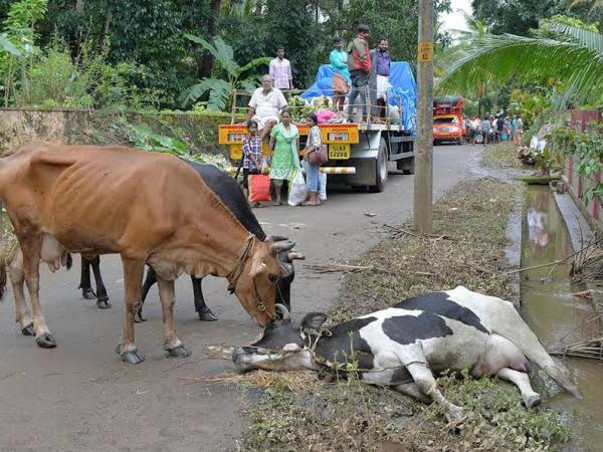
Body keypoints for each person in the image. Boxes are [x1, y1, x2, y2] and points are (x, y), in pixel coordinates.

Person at [269, 109, 300, 206]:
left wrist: (297, 156)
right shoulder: (276, 128)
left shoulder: (294, 129)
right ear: (281, 118)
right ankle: (278, 198)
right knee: (277, 178)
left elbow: (297, 144)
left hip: (290, 157)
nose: (285, 118)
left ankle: (290, 198)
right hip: (278, 157)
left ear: (291, 118)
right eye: (284, 117)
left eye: (287, 117)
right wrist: (270, 153)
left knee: (291, 178)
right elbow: (271, 141)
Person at [246, 74, 288, 141]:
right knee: (253, 123)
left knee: (270, 122)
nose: (266, 83)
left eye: (268, 81)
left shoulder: (277, 92)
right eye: (265, 81)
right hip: (258, 117)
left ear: (272, 83)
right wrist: (246, 121)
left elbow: (285, 107)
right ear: (262, 83)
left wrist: (282, 118)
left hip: (272, 117)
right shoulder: (257, 92)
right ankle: (255, 142)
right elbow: (252, 108)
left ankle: (258, 141)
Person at [346, 24, 371, 123]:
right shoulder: (360, 42)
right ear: (362, 32)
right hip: (360, 71)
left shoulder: (352, 42)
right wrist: (367, 69)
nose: (366, 35)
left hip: (353, 71)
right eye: (365, 33)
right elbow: (362, 56)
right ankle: (365, 117)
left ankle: (349, 116)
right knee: (364, 94)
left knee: (353, 94)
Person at [241, 119, 263, 206]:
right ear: (248, 129)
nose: (254, 129)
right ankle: (245, 202)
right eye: (252, 127)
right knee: (246, 183)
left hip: (256, 165)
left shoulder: (258, 139)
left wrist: (260, 163)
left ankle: (256, 201)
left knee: (256, 183)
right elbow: (248, 153)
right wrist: (255, 162)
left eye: (255, 128)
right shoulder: (245, 140)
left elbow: (260, 152)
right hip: (248, 165)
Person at [303, 113, 322, 206]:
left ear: (314, 122)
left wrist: (307, 152)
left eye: (309, 121)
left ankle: (313, 199)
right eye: (307, 120)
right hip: (316, 156)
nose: (307, 122)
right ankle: (317, 198)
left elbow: (316, 144)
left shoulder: (314, 130)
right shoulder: (315, 129)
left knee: (312, 176)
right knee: (316, 175)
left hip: (313, 155)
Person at [370, 38, 391, 121]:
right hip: (377, 78)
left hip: (385, 79)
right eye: (382, 44)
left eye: (386, 44)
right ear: (378, 45)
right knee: (376, 98)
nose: (384, 46)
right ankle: (374, 117)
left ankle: (378, 117)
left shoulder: (388, 55)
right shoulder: (374, 53)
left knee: (382, 99)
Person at [329, 36, 351, 112]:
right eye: (338, 43)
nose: (339, 45)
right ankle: (333, 111)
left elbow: (349, 61)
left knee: (343, 96)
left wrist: (346, 63)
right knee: (337, 94)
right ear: (334, 45)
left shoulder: (345, 53)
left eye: (341, 43)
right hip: (338, 75)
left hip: (346, 76)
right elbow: (338, 64)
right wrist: (346, 63)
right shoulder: (332, 54)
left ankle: (341, 113)